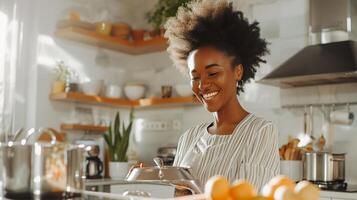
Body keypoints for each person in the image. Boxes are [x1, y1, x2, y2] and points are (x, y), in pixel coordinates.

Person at [164, 0, 280, 190]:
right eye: (195, 77)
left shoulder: (260, 132)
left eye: (212, 73)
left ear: (238, 72)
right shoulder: (189, 137)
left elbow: (247, 196)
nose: (202, 85)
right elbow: (177, 195)